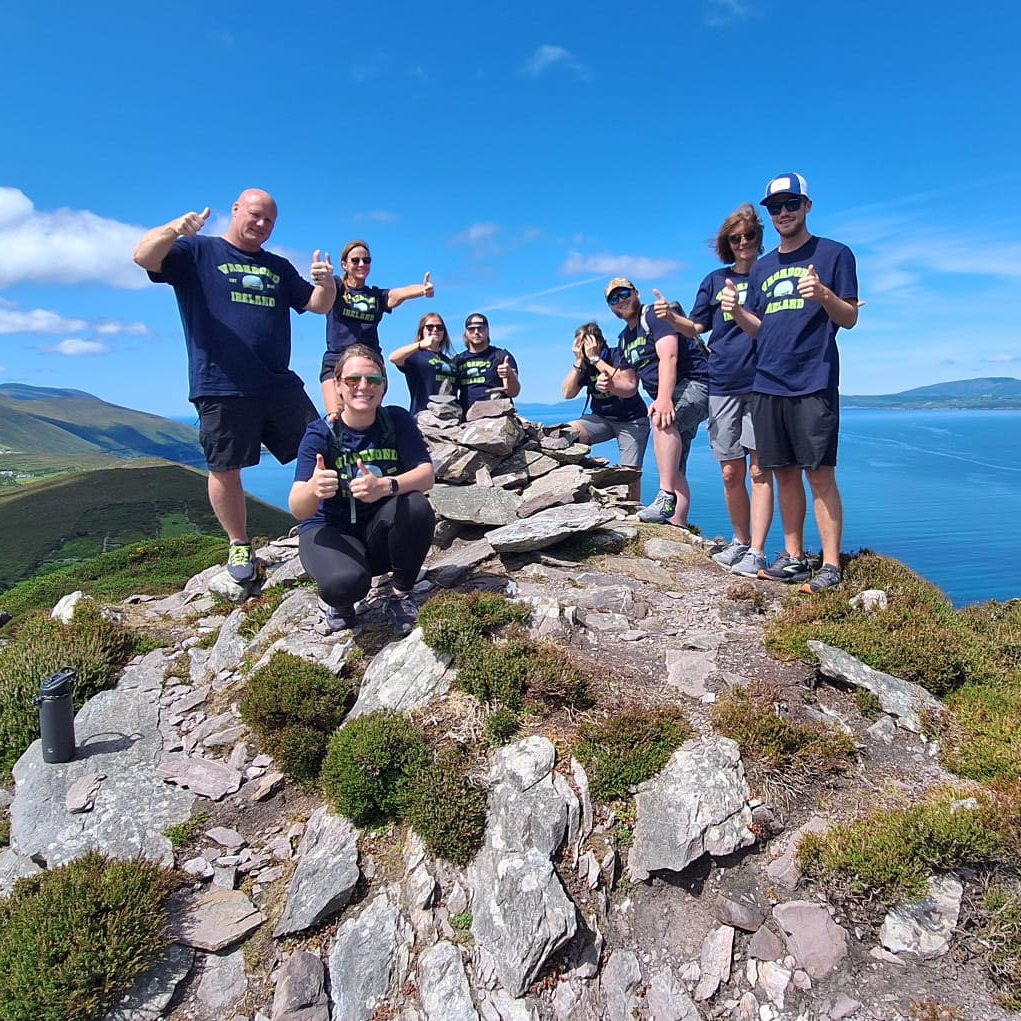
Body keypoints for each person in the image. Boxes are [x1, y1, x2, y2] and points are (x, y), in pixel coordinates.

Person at [132, 188, 336, 583]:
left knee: (321, 447)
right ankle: (239, 543)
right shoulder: (196, 251)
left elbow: (319, 305)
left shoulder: (277, 267)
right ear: (236, 210)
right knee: (225, 468)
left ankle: (329, 521)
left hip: (277, 383)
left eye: (269, 221)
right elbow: (143, 256)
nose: (261, 225)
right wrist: (176, 229)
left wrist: (327, 283)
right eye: (255, 215)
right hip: (220, 384)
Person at [723, 173, 859, 593]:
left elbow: (849, 317)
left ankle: (832, 565)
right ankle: (795, 557)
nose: (783, 213)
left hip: (813, 380)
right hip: (767, 384)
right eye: (775, 207)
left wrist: (823, 295)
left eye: (790, 204)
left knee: (819, 474)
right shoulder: (762, 267)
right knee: (782, 474)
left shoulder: (835, 254)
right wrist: (736, 312)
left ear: (807, 206)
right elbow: (761, 330)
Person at [653, 204, 775, 577]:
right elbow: (697, 327)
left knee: (759, 471)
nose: (743, 243)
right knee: (729, 472)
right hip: (722, 381)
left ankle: (756, 550)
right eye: (735, 238)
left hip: (763, 380)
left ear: (759, 238)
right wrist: (671, 318)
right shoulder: (713, 280)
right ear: (727, 243)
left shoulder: (771, 274)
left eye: (749, 236)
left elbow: (782, 322)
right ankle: (739, 541)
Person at [290, 344, 436, 636]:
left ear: (383, 387)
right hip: (330, 530)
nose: (363, 387)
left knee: (417, 506)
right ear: (338, 387)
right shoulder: (320, 434)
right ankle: (341, 603)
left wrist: (385, 486)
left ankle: (400, 594)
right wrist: (314, 489)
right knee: (345, 585)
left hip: (377, 532)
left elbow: (426, 475)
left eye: (373, 380)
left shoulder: (396, 421)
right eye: (352, 380)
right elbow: (298, 508)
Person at [606, 278, 709, 527]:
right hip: (673, 394)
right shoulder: (624, 339)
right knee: (673, 467)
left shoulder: (653, 315)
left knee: (661, 421)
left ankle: (665, 498)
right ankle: (678, 526)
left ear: (636, 293)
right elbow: (630, 386)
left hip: (697, 383)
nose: (620, 300)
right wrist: (610, 385)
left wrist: (663, 400)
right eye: (613, 298)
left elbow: (669, 355)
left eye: (624, 293)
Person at [321, 239, 434, 414]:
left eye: (366, 260)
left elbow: (400, 293)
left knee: (367, 418)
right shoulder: (336, 287)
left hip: (369, 362)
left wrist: (422, 289)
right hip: (337, 360)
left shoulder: (376, 296)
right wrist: (324, 278)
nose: (361, 264)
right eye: (355, 260)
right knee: (335, 418)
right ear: (344, 264)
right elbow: (323, 292)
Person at [561, 322, 649, 502]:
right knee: (564, 435)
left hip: (631, 420)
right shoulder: (584, 366)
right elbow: (567, 393)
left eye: (587, 342)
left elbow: (625, 382)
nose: (584, 348)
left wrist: (596, 359)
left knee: (630, 474)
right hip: (601, 419)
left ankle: (631, 510)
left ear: (598, 341)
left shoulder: (618, 355)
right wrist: (579, 362)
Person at [388, 313, 458, 415]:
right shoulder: (415, 355)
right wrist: (420, 345)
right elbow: (393, 358)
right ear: (422, 331)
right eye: (429, 327)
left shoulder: (449, 361)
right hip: (423, 415)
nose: (434, 330)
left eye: (439, 327)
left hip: (449, 415)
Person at [454, 313, 521, 411]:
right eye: (471, 329)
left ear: (488, 330)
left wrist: (510, 374)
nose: (476, 332)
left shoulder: (501, 356)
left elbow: (514, 392)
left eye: (480, 328)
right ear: (466, 332)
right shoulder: (458, 361)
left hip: (497, 417)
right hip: (467, 418)